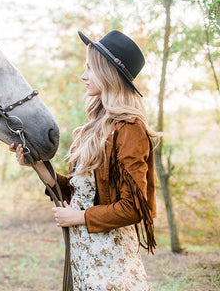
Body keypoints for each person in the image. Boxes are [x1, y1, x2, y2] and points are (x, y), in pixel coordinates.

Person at [10, 30, 157, 290]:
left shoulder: (129, 129)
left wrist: (76, 218)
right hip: (85, 253)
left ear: (108, 74)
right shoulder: (93, 127)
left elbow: (134, 207)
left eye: (90, 68)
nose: (83, 76)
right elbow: (83, 194)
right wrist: (37, 164)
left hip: (110, 260)